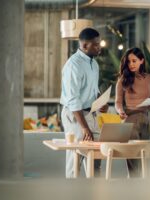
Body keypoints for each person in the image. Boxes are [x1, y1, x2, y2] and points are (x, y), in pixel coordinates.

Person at [60, 28, 108, 178]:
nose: (99, 47)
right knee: (75, 159)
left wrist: (101, 101)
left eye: (99, 44)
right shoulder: (73, 65)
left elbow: (93, 90)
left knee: (95, 157)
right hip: (76, 116)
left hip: (91, 113)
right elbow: (73, 100)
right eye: (96, 44)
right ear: (85, 45)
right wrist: (84, 127)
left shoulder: (94, 64)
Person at [115, 47, 150, 177]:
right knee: (133, 159)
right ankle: (133, 187)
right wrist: (120, 111)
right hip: (129, 121)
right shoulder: (122, 80)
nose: (131, 64)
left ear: (141, 60)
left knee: (142, 156)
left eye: (134, 61)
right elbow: (118, 102)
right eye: (128, 62)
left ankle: (140, 188)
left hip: (145, 121)